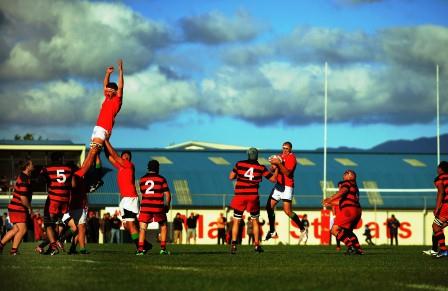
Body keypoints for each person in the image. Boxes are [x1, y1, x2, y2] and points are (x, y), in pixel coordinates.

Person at [76, 59, 124, 178]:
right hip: (97, 127)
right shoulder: (107, 98)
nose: (106, 92)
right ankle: (84, 173)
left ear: (114, 91)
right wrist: (107, 73)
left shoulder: (117, 100)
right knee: (91, 154)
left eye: (108, 91)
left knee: (93, 153)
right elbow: (105, 84)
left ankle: (80, 174)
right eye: (106, 90)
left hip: (104, 128)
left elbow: (121, 86)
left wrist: (120, 71)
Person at [104, 137, 150, 252]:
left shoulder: (129, 165)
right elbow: (109, 157)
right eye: (124, 155)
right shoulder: (121, 167)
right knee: (127, 226)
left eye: (128, 156)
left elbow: (114, 155)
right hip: (125, 199)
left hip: (130, 198)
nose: (126, 157)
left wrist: (105, 141)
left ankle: (141, 247)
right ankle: (145, 244)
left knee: (131, 224)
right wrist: (102, 145)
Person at [229, 147, 278, 254]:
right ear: (257, 156)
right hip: (253, 196)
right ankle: (256, 245)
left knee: (236, 220)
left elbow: (231, 177)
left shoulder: (239, 164)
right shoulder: (261, 167)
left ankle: (233, 244)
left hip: (240, 195)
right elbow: (273, 180)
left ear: (248, 154)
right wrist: (277, 167)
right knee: (255, 221)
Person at [265, 141, 305, 240]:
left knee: (287, 211)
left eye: (287, 148)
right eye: (283, 148)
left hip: (287, 186)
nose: (285, 150)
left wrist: (279, 164)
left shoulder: (292, 158)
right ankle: (272, 231)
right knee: (269, 207)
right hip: (279, 185)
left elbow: (287, 173)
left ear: (290, 149)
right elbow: (271, 170)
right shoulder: (279, 156)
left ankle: (302, 228)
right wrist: (273, 166)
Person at [322, 170, 363, 255]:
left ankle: (350, 247)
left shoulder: (347, 183)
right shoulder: (355, 186)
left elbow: (342, 191)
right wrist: (330, 202)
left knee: (334, 230)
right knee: (348, 231)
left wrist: (330, 198)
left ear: (350, 176)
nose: (343, 175)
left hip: (349, 210)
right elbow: (343, 201)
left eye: (346, 174)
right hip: (357, 210)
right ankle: (358, 249)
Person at [40, 152, 74, 255]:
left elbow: (40, 180)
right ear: (61, 159)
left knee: (48, 223)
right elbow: (73, 184)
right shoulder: (69, 169)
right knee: (57, 224)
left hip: (53, 199)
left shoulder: (47, 168)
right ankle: (52, 245)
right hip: (65, 200)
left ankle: (54, 247)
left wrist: (49, 181)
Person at [136, 159, 171, 255]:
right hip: (158, 207)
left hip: (145, 207)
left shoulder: (142, 179)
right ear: (157, 168)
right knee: (163, 226)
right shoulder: (161, 179)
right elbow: (167, 194)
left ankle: (140, 250)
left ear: (148, 168)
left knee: (142, 228)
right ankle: (163, 249)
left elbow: (142, 192)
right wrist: (167, 205)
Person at [0, 159, 34, 255]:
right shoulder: (24, 178)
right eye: (31, 164)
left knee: (16, 229)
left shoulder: (25, 177)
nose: (33, 165)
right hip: (18, 207)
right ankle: (13, 250)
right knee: (23, 230)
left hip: (15, 206)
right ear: (27, 166)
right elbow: (23, 198)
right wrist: (30, 208)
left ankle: (1, 245)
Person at [426, 161, 448, 258]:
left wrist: (437, 207)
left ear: (441, 169)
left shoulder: (439, 179)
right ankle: (436, 250)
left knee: (435, 227)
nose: (437, 169)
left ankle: (443, 250)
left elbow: (441, 193)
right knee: (439, 226)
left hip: (446, 205)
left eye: (438, 168)